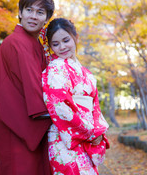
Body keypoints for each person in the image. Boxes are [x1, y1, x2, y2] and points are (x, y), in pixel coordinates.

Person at [0, 0, 54, 175]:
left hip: (24, 127)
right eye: (29, 10)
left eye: (40, 12)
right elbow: (34, 88)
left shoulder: (33, 43)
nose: (33, 16)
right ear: (19, 13)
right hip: (19, 129)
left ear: (47, 18)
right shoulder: (16, 42)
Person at [42, 18, 110, 175]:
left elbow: (95, 108)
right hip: (65, 139)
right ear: (50, 46)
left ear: (75, 37)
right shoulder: (55, 69)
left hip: (88, 135)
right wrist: (90, 132)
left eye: (66, 40)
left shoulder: (86, 72)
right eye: (55, 44)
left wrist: (98, 132)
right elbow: (59, 107)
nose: (62, 47)